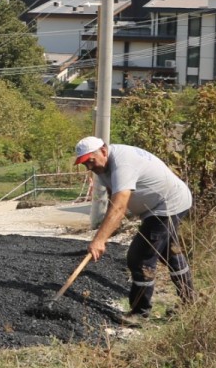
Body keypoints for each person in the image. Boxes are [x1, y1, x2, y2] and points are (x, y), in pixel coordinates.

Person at [75, 136, 195, 318]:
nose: (90, 167)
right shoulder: (104, 167)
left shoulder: (123, 165)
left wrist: (99, 240)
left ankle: (140, 313)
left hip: (167, 205)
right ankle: (190, 302)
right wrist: (107, 231)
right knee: (170, 253)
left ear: (104, 151)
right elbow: (113, 200)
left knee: (140, 258)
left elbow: (119, 207)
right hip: (160, 206)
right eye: (85, 164)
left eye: (91, 161)